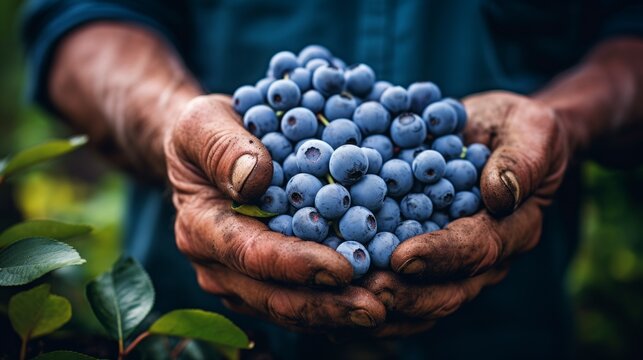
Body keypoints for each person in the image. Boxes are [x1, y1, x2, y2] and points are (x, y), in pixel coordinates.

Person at [21, 0, 643, 358]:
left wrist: (563, 122)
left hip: (501, 334)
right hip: (202, 332)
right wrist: (165, 118)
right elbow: (81, 20)